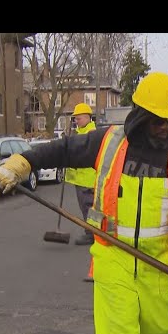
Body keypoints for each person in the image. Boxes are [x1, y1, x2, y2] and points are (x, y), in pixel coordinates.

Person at [0, 72, 168, 334]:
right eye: (157, 121)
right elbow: (61, 150)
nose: (165, 128)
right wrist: (20, 164)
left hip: (161, 268)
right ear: (142, 116)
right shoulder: (109, 142)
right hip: (114, 260)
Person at [65, 103, 98, 246]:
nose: (76, 121)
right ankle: (96, 233)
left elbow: (80, 155)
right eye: (75, 119)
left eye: (78, 119)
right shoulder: (81, 133)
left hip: (87, 180)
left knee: (88, 208)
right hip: (82, 180)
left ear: (86, 117)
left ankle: (91, 234)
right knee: (90, 208)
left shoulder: (90, 135)